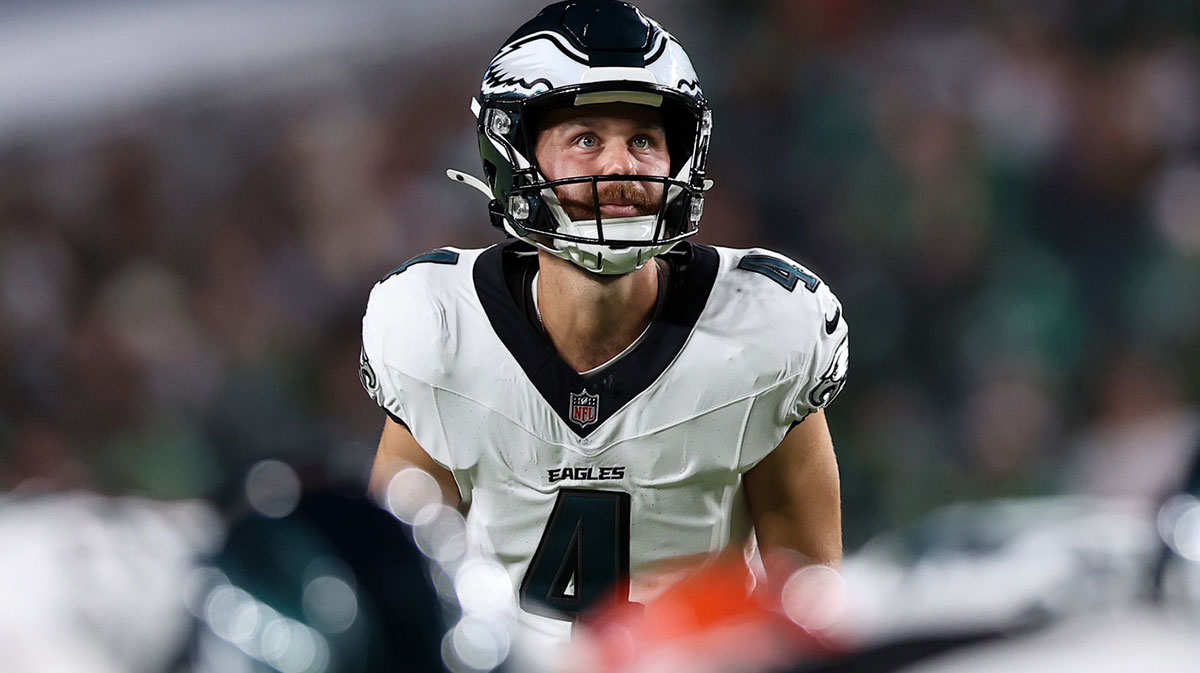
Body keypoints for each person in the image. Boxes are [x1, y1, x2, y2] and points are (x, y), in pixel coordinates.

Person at [359, 0, 848, 643]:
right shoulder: (437, 330)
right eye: (586, 139)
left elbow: (813, 611)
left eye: (643, 140)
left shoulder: (766, 328)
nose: (621, 167)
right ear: (514, 155)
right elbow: (398, 595)